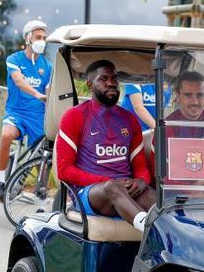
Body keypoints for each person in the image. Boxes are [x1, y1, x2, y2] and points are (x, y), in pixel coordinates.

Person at [55, 60, 155, 232]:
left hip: (125, 190)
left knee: (155, 197)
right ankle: (150, 231)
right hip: (90, 195)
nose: (111, 83)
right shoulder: (74, 116)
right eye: (103, 79)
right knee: (112, 187)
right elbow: (64, 170)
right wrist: (109, 181)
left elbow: (140, 166)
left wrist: (142, 180)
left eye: (114, 79)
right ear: (89, 85)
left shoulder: (129, 120)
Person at [0, 20, 52, 198]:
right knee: (6, 136)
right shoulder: (14, 59)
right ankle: (1, 180)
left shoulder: (47, 66)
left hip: (37, 116)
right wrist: (37, 94)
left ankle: (37, 186)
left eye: (44, 37)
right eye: (38, 37)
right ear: (28, 38)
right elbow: (19, 81)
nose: (42, 40)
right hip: (17, 112)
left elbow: (48, 92)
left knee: (47, 152)